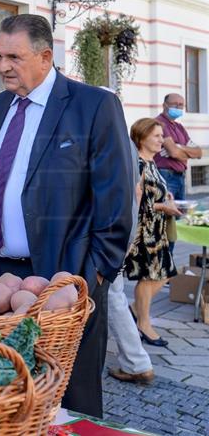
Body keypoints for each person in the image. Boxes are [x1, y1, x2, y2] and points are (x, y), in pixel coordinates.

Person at [0, 14, 134, 417]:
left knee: (69, 396)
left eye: (14, 57)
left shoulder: (94, 105)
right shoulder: (0, 106)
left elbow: (116, 199)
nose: (2, 66)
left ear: (45, 56)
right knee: (6, 388)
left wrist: (93, 275)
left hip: (64, 275)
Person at [126, 118, 180, 347]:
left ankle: (135, 309)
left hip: (157, 229)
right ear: (141, 137)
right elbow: (135, 201)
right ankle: (143, 324)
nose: (162, 140)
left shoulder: (151, 163)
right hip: (144, 231)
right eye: (156, 136)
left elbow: (154, 193)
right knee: (149, 278)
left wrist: (166, 198)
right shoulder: (137, 163)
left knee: (165, 273)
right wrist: (163, 207)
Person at [108, 137, 155, 384]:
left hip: (110, 236)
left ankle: (137, 363)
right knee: (114, 297)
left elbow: (134, 190)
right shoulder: (123, 138)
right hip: (118, 234)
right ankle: (137, 362)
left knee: (113, 298)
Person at [154, 93, 203, 254]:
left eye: (181, 105)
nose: (178, 107)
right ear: (164, 105)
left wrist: (180, 148)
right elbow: (174, 153)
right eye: (175, 104)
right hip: (166, 176)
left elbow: (198, 152)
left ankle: (169, 263)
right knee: (166, 222)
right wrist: (181, 151)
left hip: (179, 177)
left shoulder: (179, 127)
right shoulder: (160, 123)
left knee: (176, 222)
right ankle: (163, 263)